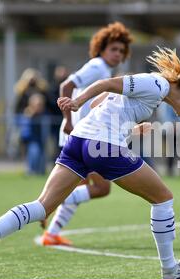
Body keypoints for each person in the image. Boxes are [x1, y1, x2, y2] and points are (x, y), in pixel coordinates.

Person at [0, 47, 180, 279]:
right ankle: (170, 270)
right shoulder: (158, 85)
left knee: (43, 207)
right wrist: (78, 103)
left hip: (79, 141)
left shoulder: (156, 93)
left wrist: (131, 129)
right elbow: (107, 84)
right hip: (102, 146)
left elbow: (104, 103)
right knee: (163, 198)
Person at [42, 22, 133, 246]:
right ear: (101, 48)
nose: (117, 54)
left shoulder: (104, 70)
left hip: (84, 137)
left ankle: (51, 232)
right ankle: (46, 205)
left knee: (84, 186)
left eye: (121, 51)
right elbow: (66, 85)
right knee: (101, 188)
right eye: (113, 49)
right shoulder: (98, 66)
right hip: (82, 136)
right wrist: (67, 120)